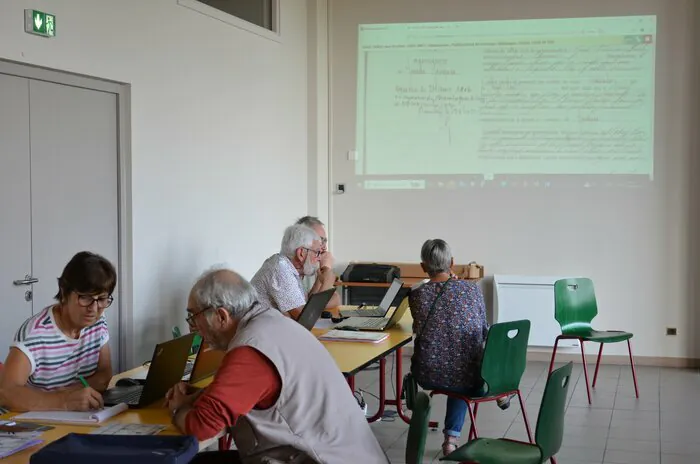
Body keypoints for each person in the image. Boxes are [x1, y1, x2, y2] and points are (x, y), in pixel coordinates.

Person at [166, 268, 388, 464]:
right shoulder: (274, 323)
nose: (193, 327)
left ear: (221, 316)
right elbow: (256, 388)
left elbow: (201, 427)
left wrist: (177, 408)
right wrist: (198, 398)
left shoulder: (249, 350)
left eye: (193, 317)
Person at [409, 239, 508, 456]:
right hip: (467, 376)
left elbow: (419, 328)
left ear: (423, 267)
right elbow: (483, 330)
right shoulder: (471, 290)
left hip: (428, 373)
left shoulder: (416, 295)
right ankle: (451, 440)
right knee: (465, 367)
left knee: (457, 368)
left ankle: (450, 439)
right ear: (452, 262)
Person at [0, 251, 115, 412]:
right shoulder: (34, 334)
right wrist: (64, 401)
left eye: (102, 299)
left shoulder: (98, 320)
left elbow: (104, 374)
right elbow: (7, 393)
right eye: (85, 298)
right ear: (64, 292)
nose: (94, 309)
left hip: (76, 418)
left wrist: (72, 391)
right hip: (27, 424)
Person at [251, 224, 336, 319]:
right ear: (301, 253)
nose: (319, 258)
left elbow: (306, 306)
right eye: (317, 252)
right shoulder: (280, 268)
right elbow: (306, 319)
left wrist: (320, 280)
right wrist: (327, 284)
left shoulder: (291, 269)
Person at [295, 216, 341, 308]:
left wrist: (322, 272)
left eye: (325, 241)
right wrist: (327, 271)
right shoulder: (286, 269)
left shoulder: (310, 265)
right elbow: (309, 312)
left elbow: (336, 298)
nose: (324, 247)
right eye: (320, 241)